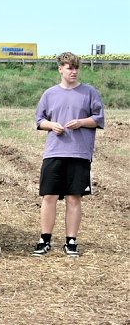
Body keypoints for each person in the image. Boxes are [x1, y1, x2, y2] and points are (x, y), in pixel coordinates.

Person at [32, 52, 104, 258]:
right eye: (68, 67)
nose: (73, 71)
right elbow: (39, 120)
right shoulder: (50, 94)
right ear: (60, 69)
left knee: (74, 197)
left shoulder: (89, 92)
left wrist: (81, 122)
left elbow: (98, 118)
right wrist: (51, 125)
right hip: (54, 152)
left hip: (80, 153)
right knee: (49, 196)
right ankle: (44, 240)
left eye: (75, 68)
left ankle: (71, 241)